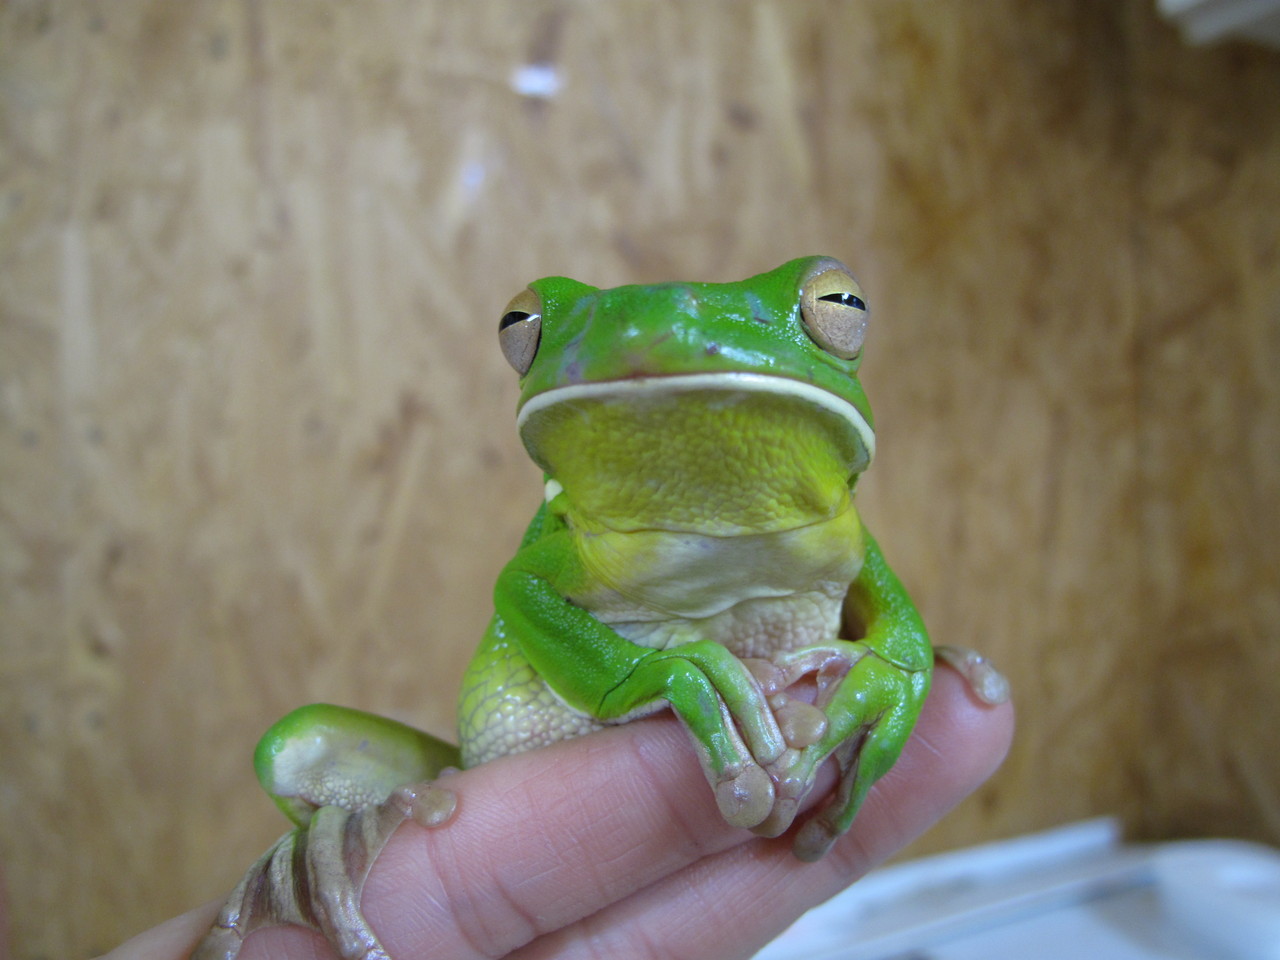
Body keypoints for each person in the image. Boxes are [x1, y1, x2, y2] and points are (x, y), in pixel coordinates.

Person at [99, 664, 1013, 960]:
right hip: (508, 781)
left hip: (748, 790)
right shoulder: (566, 541)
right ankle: (307, 885)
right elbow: (530, 599)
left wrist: (901, 660)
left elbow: (880, 605)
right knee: (301, 754)